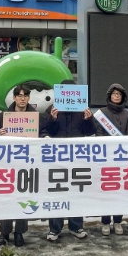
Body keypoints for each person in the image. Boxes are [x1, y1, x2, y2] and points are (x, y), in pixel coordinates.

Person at [41, 79, 95, 242]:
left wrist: (88, 119)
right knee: (57, 191)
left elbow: (90, 132)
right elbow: (45, 131)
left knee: (76, 191)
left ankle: (76, 226)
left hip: (77, 157)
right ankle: (54, 229)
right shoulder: (52, 109)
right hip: (57, 158)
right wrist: (53, 119)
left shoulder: (83, 109)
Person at [0, 84, 45, 247]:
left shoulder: (36, 117)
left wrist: (44, 137)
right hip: (7, 163)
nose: (22, 99)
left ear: (28, 98)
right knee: (7, 197)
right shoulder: (4, 116)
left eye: (25, 96)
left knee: (24, 197)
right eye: (19, 95)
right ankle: (4, 232)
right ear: (14, 98)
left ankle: (19, 232)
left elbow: (43, 131)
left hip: (28, 163)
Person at [93, 83, 128, 236]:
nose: (116, 96)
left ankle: (117, 221)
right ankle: (105, 222)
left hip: (121, 158)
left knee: (119, 192)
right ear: (109, 95)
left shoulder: (127, 114)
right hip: (106, 158)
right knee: (106, 191)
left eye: (119, 94)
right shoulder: (101, 113)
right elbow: (98, 134)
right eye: (114, 93)